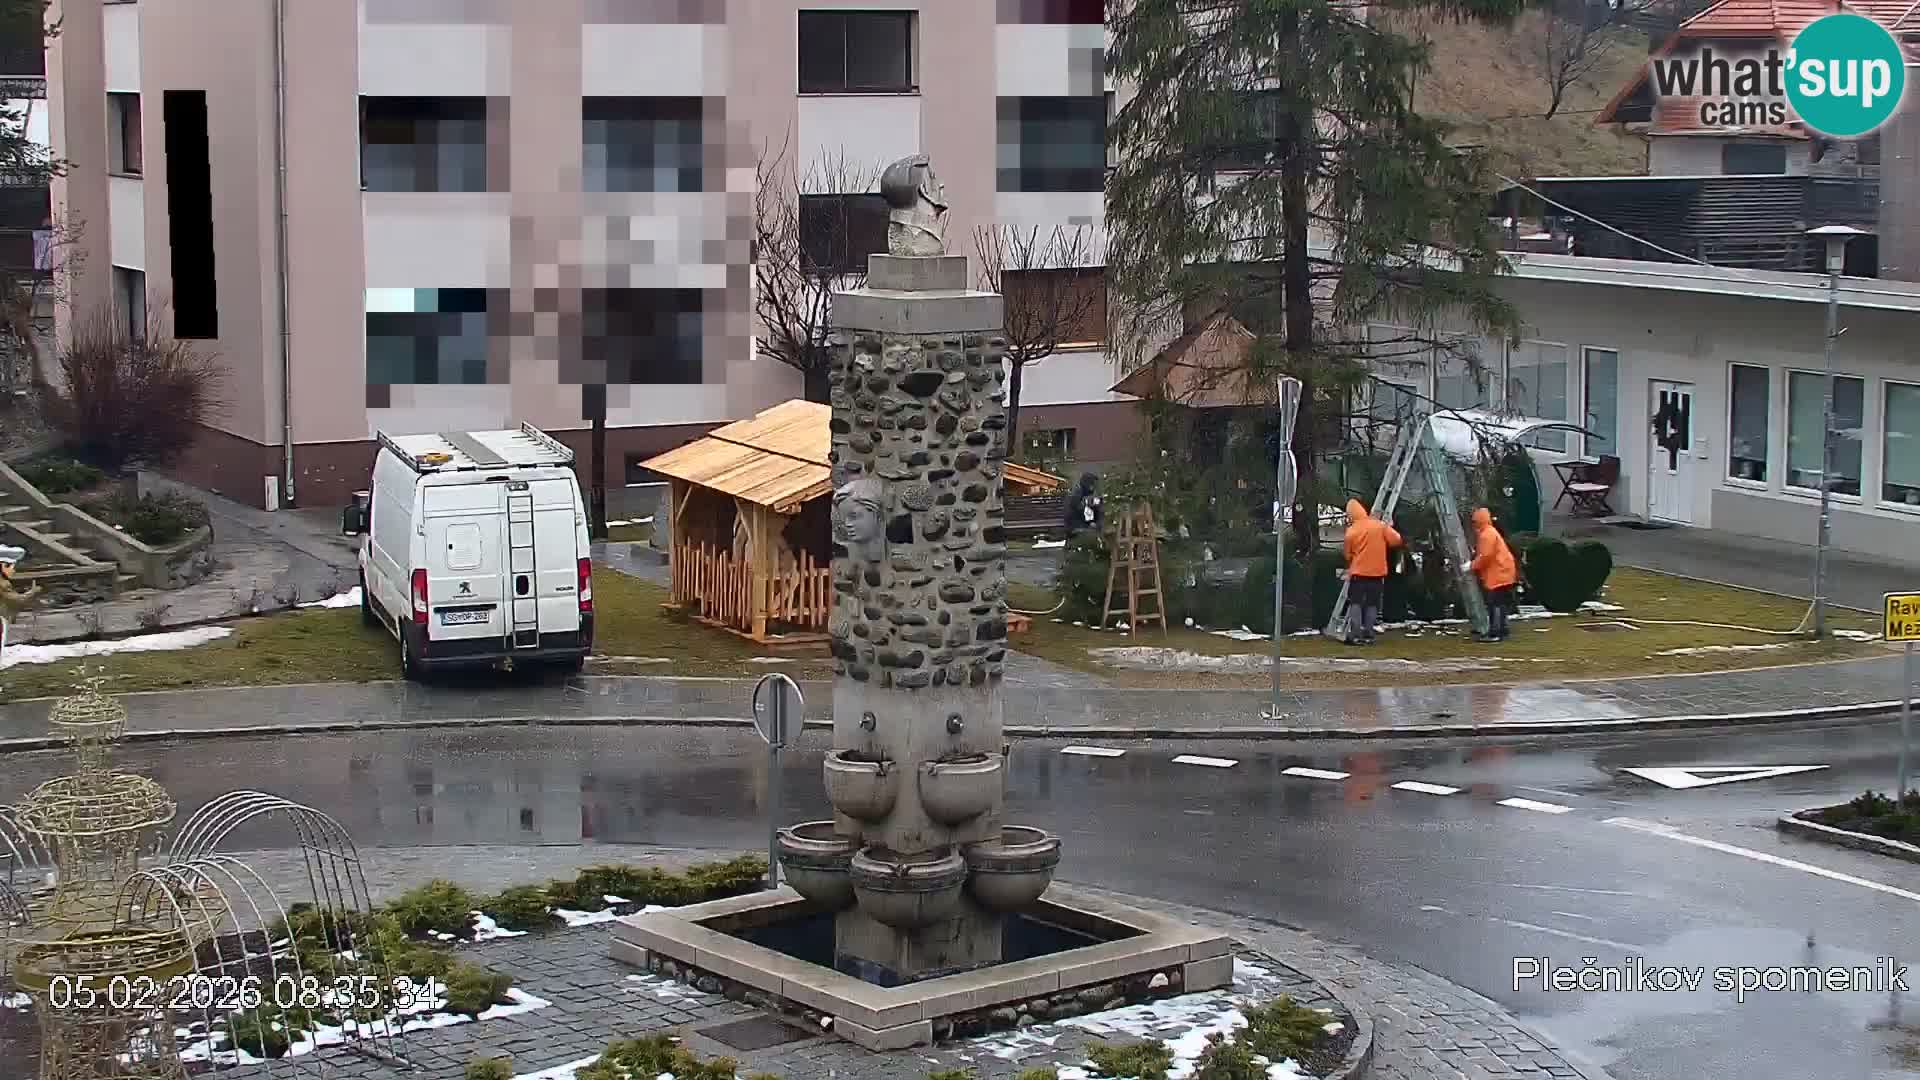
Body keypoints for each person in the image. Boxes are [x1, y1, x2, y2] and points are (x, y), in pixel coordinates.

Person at [1342, 499, 1401, 644]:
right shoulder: (1379, 525)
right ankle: (1369, 633)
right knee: (1372, 604)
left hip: (1358, 573)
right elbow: (1396, 540)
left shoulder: (1351, 531)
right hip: (1377, 573)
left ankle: (1356, 634)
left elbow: (1347, 554)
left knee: (1355, 602)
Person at [1468, 508, 1517, 642]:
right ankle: (1502, 630)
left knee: (1494, 603)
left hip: (1498, 573)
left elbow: (1485, 556)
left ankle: (1495, 632)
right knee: (1500, 603)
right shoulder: (1490, 532)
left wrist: (1471, 565)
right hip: (1504, 571)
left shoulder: (1486, 535)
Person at [0, 545, 37, 670]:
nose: (13, 571)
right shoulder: (2, 584)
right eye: (10, 567)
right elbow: (17, 600)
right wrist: (32, 592)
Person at [1064, 473, 1103, 538]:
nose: (1094, 487)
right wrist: (1090, 522)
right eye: (1092, 484)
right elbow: (1080, 508)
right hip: (1075, 524)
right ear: (1087, 484)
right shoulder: (1077, 493)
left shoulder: (1080, 491)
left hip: (1077, 522)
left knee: (1095, 504)